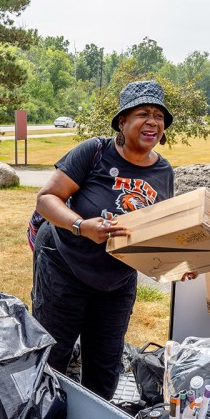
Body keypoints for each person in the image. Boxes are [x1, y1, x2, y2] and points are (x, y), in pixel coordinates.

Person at [31, 80, 175, 400]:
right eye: (143, 113)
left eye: (159, 115)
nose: (152, 121)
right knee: (52, 353)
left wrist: (180, 262)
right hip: (63, 264)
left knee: (105, 363)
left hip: (117, 279)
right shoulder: (94, 151)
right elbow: (47, 199)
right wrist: (81, 225)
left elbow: (160, 230)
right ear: (122, 121)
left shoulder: (164, 171)